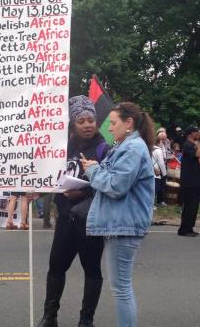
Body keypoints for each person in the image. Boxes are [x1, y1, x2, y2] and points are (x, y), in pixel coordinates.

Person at [80, 102, 155, 327]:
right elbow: (117, 179)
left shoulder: (132, 148)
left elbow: (116, 185)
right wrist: (97, 167)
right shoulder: (129, 146)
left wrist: (93, 170)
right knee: (121, 287)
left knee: (121, 289)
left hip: (124, 224)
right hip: (122, 223)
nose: (109, 128)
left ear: (129, 123)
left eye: (113, 123)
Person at [37, 95, 109, 327]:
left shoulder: (104, 149)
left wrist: (84, 193)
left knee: (92, 270)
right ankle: (50, 317)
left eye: (91, 119)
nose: (87, 124)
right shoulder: (60, 148)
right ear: (73, 124)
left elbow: (111, 186)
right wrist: (34, 191)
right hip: (65, 219)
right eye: (81, 121)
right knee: (56, 267)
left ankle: (86, 320)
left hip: (91, 222)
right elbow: (48, 176)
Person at [178, 125, 200, 237]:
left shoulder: (194, 144)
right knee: (189, 206)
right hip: (189, 181)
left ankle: (190, 228)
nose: (198, 133)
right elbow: (197, 154)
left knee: (194, 206)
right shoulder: (187, 145)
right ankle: (184, 229)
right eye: (197, 131)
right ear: (191, 133)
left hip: (196, 180)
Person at [152, 137, 167, 209]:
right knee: (155, 189)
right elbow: (161, 163)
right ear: (158, 142)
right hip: (156, 172)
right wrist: (164, 174)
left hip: (150, 170)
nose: (162, 144)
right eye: (161, 142)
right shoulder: (158, 150)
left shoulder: (149, 148)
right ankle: (151, 205)